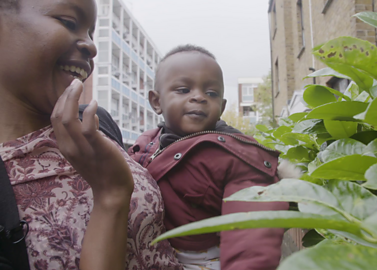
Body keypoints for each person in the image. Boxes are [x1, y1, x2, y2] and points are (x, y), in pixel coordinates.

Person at [0, 0, 181, 269]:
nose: (91, 47)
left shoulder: (99, 125)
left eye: (91, 33)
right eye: (69, 22)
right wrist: (111, 196)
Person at [129, 45, 290, 270]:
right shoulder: (145, 143)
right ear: (156, 101)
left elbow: (251, 236)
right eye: (184, 89)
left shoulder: (237, 157)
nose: (199, 97)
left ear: (222, 107)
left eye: (211, 93)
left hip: (201, 262)